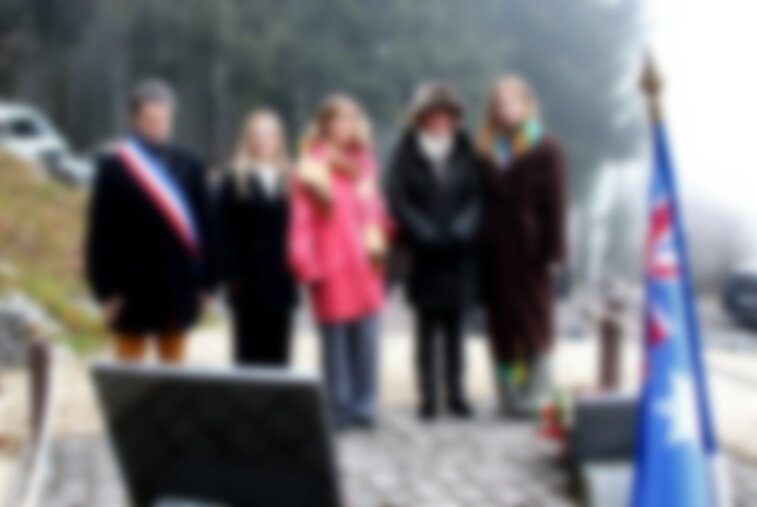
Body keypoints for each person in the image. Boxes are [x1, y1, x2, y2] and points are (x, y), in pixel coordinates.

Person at [85, 79, 216, 363]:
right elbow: (101, 234)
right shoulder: (114, 166)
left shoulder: (190, 165)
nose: (158, 128)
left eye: (164, 120)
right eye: (150, 121)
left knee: (173, 379)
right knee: (127, 378)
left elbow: (207, 227)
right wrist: (105, 291)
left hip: (176, 287)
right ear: (133, 120)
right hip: (130, 290)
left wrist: (207, 284)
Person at [288, 95, 390, 429]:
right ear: (325, 124)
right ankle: (339, 407)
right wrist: (305, 263)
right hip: (330, 266)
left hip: (367, 265)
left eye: (351, 119)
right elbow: (300, 223)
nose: (346, 126)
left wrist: (385, 236)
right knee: (335, 345)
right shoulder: (310, 167)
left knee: (367, 341)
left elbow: (375, 213)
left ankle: (365, 405)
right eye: (338, 119)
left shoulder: (366, 164)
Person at [387, 84, 481, 420]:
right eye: (433, 114)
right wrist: (420, 229)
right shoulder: (406, 149)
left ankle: (456, 394)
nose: (440, 120)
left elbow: (479, 196)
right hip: (423, 254)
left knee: (456, 331)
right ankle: (427, 396)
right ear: (422, 117)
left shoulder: (468, 148)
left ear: (454, 118)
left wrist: (463, 227)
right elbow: (396, 196)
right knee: (425, 330)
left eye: (446, 114)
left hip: (458, 253)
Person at [477, 76, 567, 417]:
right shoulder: (488, 147)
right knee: (503, 327)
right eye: (500, 103)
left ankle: (536, 395)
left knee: (534, 325)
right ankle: (509, 397)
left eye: (513, 102)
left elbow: (557, 204)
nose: (506, 109)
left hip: (533, 251)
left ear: (527, 104)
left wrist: (555, 254)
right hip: (496, 251)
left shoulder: (546, 146)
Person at [217, 110, 298, 366]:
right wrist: (232, 276)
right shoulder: (233, 178)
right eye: (257, 135)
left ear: (279, 139)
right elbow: (223, 231)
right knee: (249, 356)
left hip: (282, 280)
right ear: (248, 139)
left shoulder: (292, 178)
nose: (263, 141)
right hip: (247, 284)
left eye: (269, 135)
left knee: (280, 355)